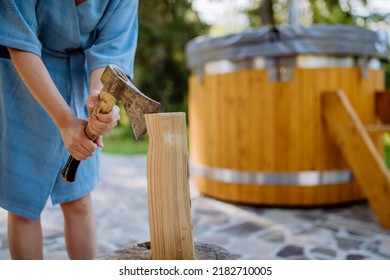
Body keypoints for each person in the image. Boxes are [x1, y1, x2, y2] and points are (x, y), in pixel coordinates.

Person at [0, 0, 139, 259]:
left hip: (80, 78)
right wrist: (64, 121)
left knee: (79, 198)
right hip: (25, 76)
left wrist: (99, 99)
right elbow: (18, 37)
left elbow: (111, 53)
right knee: (24, 206)